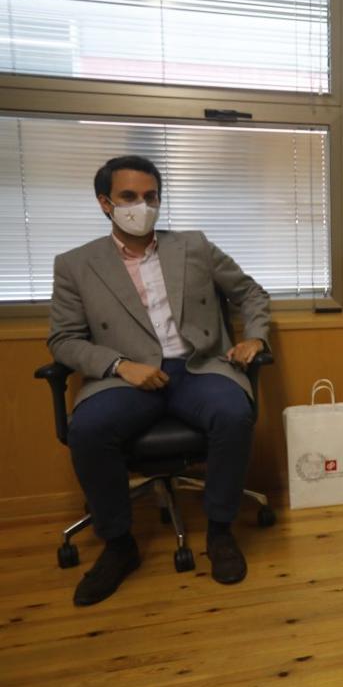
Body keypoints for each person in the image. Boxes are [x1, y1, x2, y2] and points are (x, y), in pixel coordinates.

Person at [48, 155, 270, 606]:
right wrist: (117, 365)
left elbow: (250, 293)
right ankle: (119, 545)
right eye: (129, 197)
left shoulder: (194, 246)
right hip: (127, 376)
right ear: (105, 203)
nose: (142, 206)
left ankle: (221, 532)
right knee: (88, 430)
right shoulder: (76, 264)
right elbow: (63, 339)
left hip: (199, 366)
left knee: (233, 413)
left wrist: (256, 338)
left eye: (151, 197)